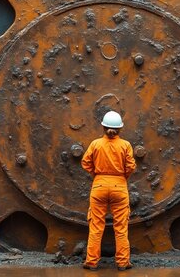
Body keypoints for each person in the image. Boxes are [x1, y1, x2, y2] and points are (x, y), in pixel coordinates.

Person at [81, 111, 136, 271]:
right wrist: (122, 177)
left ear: (103, 127)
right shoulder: (125, 145)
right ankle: (123, 262)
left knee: (96, 226)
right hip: (120, 186)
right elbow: (131, 166)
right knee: (121, 227)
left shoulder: (95, 144)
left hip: (99, 185)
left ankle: (91, 262)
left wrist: (97, 175)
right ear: (120, 129)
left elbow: (85, 162)